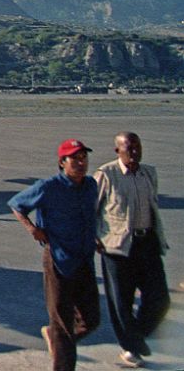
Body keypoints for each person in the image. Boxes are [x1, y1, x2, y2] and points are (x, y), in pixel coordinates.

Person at [8, 139, 101, 371]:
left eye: (84, 158)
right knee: (63, 325)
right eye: (75, 159)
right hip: (58, 260)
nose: (81, 163)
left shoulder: (90, 185)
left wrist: (97, 236)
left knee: (91, 320)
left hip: (84, 258)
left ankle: (54, 337)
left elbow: (93, 214)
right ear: (62, 162)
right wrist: (32, 229)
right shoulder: (48, 187)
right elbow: (17, 204)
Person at [94, 132, 169, 368]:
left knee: (160, 299)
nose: (135, 152)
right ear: (118, 151)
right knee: (121, 302)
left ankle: (135, 341)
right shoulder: (106, 174)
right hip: (117, 246)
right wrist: (95, 237)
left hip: (147, 242)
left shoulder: (149, 173)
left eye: (138, 147)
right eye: (129, 148)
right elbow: (90, 208)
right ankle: (131, 349)